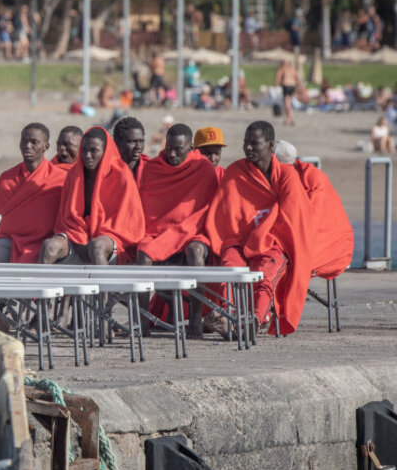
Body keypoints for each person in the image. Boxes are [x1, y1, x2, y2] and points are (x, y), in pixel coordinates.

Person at [205, 121, 312, 334]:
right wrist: (240, 240)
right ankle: (227, 317)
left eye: (254, 143)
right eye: (246, 143)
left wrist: (262, 236)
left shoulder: (287, 175)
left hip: (273, 241)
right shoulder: (235, 171)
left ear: (270, 145)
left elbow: (291, 217)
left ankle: (256, 318)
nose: (248, 148)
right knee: (230, 268)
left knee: (266, 272)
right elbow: (225, 216)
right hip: (238, 240)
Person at [135, 124, 220, 337]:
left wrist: (182, 232)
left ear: (191, 148)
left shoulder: (203, 168)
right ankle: (142, 322)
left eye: (178, 149)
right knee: (144, 253)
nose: (172, 154)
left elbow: (205, 210)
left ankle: (195, 321)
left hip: (192, 232)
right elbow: (149, 210)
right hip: (158, 233)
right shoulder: (153, 169)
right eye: (169, 148)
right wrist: (166, 236)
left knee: (195, 252)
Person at [40, 126, 145, 265]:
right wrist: (81, 237)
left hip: (111, 235)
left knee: (97, 247)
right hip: (77, 234)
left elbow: (128, 221)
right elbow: (66, 217)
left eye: (94, 150)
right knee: (50, 246)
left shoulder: (122, 175)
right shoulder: (74, 174)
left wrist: (96, 236)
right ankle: (39, 280)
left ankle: (104, 280)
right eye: (84, 150)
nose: (88, 155)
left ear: (105, 151)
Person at [275, 141, 354, 281]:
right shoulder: (298, 174)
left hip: (333, 245)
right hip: (318, 239)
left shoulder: (311, 179)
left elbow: (310, 222)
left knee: (278, 259)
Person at [0, 123, 67, 263]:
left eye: (34, 142)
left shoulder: (60, 178)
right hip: (10, 240)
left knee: (51, 248)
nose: (27, 146)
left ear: (46, 146)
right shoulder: (6, 178)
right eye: (24, 141)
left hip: (45, 240)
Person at [112, 116, 147, 180]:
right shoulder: (107, 170)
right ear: (117, 142)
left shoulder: (150, 169)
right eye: (133, 141)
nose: (138, 146)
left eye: (141, 141)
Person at [274, 59, 300, 127]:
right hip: (293, 86)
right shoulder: (292, 69)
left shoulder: (282, 68)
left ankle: (290, 118)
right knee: (289, 102)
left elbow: (278, 77)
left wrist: (275, 86)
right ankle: (289, 118)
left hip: (286, 86)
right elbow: (298, 78)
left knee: (286, 103)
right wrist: (299, 86)